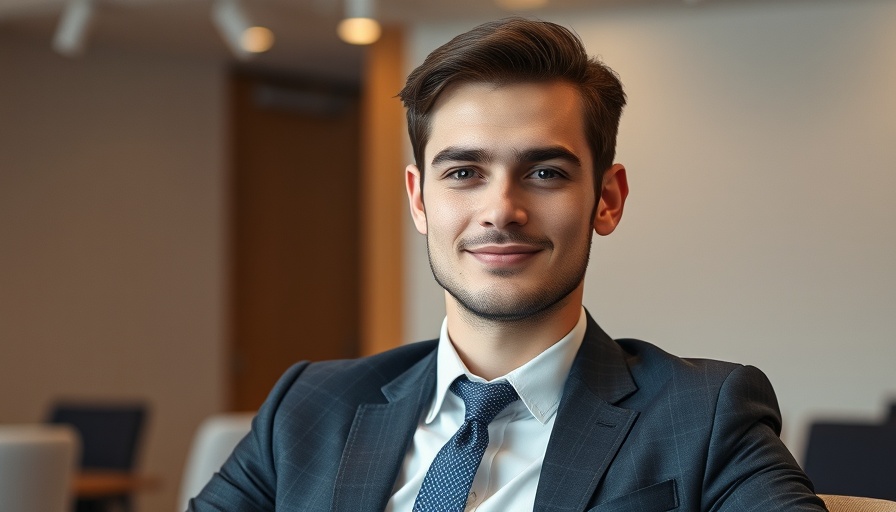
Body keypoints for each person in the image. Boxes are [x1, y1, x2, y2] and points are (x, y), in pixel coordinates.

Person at [189, 18, 824, 511]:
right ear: (419, 200)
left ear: (606, 199)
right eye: (463, 172)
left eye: (545, 172)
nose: (501, 210)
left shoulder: (704, 415)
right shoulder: (308, 406)